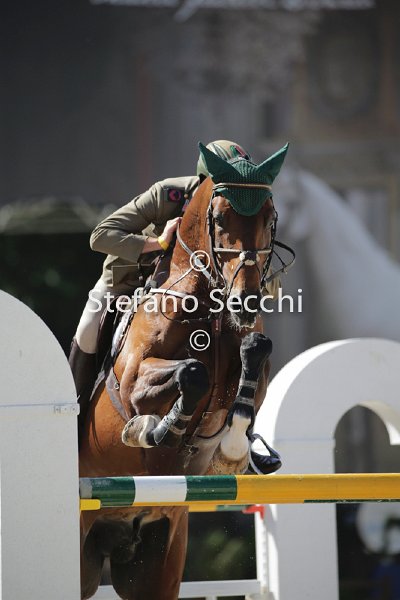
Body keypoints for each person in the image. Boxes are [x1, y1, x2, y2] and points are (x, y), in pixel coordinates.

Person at [69, 140, 280, 435]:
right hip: (130, 279)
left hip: (204, 292)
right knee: (88, 330)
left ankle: (244, 435)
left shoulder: (239, 208)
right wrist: (158, 242)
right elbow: (101, 235)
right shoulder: (168, 194)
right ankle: (73, 417)